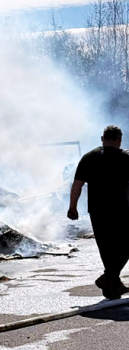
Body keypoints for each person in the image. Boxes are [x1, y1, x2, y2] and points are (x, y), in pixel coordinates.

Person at [68, 125, 129, 299]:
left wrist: (72, 207)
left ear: (102, 139)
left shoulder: (88, 158)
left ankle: (113, 284)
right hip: (121, 209)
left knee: (106, 246)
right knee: (124, 244)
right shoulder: (126, 157)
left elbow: (77, 184)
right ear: (119, 139)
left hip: (97, 210)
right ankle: (109, 278)